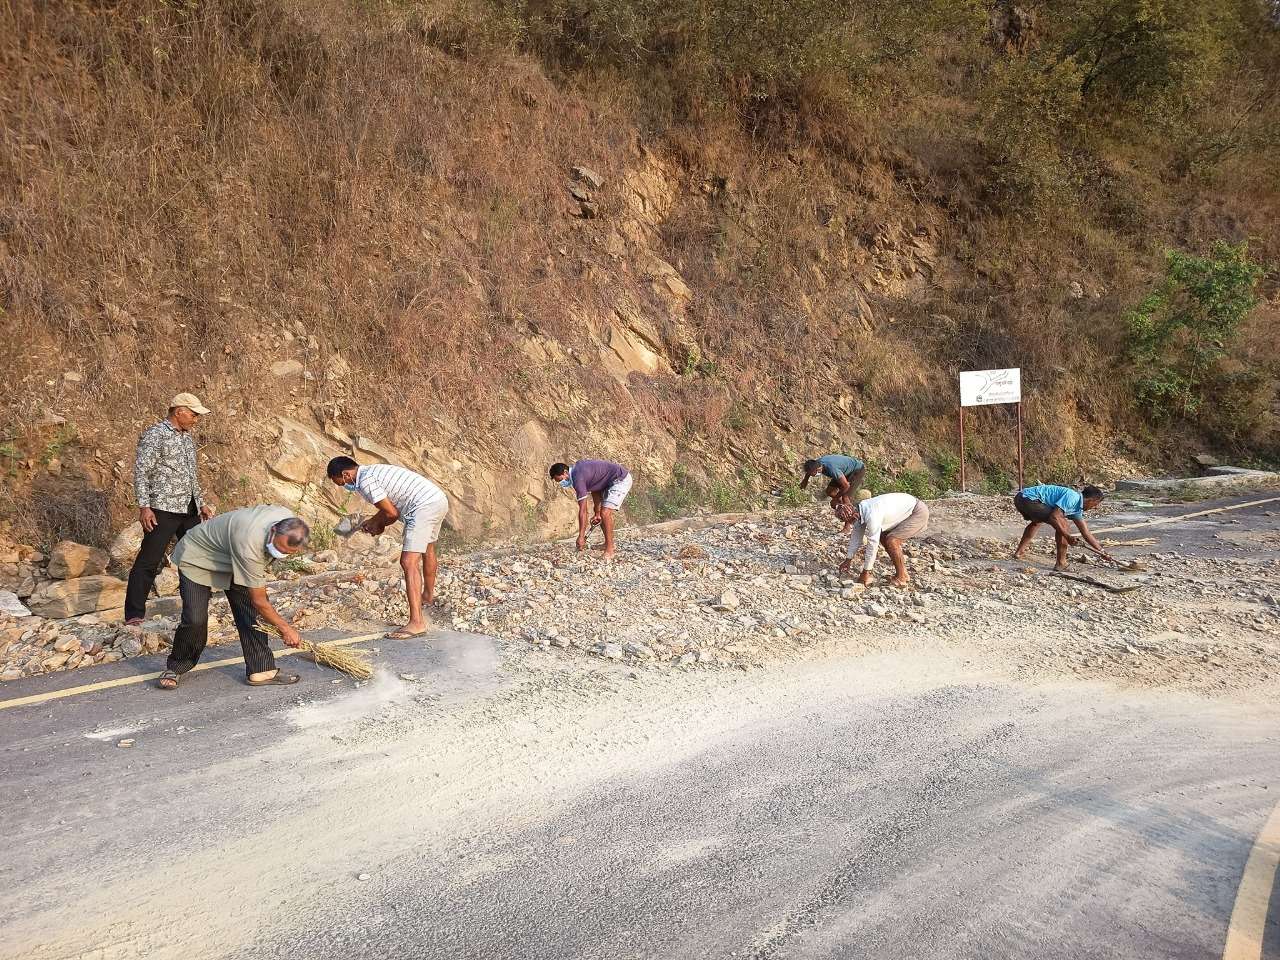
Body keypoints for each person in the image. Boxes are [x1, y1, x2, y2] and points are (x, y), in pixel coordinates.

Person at [157, 507, 310, 690]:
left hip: (232, 557)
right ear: (273, 529)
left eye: (286, 553)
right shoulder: (249, 542)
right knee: (195, 619)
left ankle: (261, 669)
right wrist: (286, 628)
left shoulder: (288, 518)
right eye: (277, 548)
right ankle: (177, 666)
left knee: (250, 613)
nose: (278, 553)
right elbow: (260, 601)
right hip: (198, 557)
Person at [326, 457, 450, 639]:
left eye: (342, 483)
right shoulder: (372, 471)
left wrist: (378, 524)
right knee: (428, 549)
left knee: (408, 562)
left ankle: (417, 623)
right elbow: (389, 509)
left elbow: (392, 513)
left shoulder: (365, 481)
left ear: (346, 474)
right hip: (437, 500)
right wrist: (375, 522)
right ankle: (427, 597)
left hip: (422, 507)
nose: (345, 487)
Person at [126, 393, 216, 626]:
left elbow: (191, 475)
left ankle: (199, 604)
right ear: (179, 412)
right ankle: (134, 614)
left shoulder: (187, 438)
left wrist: (201, 502)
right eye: (193, 414)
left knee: (197, 556)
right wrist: (144, 507)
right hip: (163, 508)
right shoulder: (155, 434)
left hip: (189, 508)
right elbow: (142, 472)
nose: (196, 419)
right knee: (149, 560)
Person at [1012, 483, 1116, 571]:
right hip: (1028, 499)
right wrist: (1067, 536)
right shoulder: (1073, 497)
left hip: (1021, 498)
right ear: (1091, 500)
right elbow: (1054, 517)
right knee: (1063, 524)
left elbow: (1086, 533)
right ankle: (1061, 563)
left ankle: (1019, 552)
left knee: (1037, 522)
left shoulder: (1077, 510)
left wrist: (1102, 552)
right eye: (1096, 504)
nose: (1096, 508)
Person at [837, 491, 930, 588]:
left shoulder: (872, 515)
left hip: (916, 512)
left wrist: (866, 572)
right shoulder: (859, 510)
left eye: (850, 521)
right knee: (883, 537)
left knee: (892, 541)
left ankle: (901, 578)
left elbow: (872, 545)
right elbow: (856, 537)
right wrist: (848, 560)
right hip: (904, 510)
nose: (850, 524)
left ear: (854, 516)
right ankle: (903, 573)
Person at [549, 459, 632, 559]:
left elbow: (583, 511)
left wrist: (581, 536)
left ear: (565, 472)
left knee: (605, 513)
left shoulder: (578, 478)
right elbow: (595, 489)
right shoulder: (578, 471)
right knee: (601, 515)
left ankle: (610, 549)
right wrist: (597, 513)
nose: (562, 483)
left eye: (560, 480)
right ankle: (607, 544)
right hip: (610, 482)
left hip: (620, 479)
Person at [801, 455, 865, 532]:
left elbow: (846, 486)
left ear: (818, 469)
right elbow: (809, 472)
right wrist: (804, 481)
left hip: (857, 470)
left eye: (813, 474)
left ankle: (847, 526)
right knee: (830, 491)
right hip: (844, 471)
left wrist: (836, 498)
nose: (812, 475)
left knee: (846, 497)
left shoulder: (832, 469)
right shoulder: (815, 464)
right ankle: (845, 506)